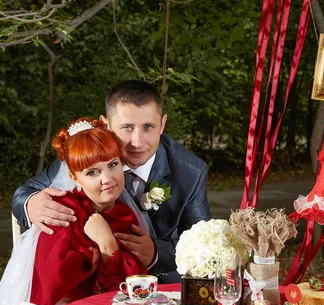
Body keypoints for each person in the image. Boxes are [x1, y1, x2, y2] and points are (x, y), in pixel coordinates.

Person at [0, 118, 147, 305]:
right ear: (74, 177)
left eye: (113, 165)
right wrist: (93, 255)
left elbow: (129, 287)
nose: (108, 179)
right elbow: (51, 283)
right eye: (93, 172)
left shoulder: (124, 215)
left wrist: (107, 243)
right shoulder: (61, 211)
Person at [12, 80, 211, 283]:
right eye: (127, 128)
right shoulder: (87, 154)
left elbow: (202, 243)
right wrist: (31, 203)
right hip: (91, 281)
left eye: (148, 127)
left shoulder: (191, 172)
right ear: (106, 124)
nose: (137, 142)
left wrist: (156, 253)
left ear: (162, 124)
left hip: (160, 284)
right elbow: (24, 193)